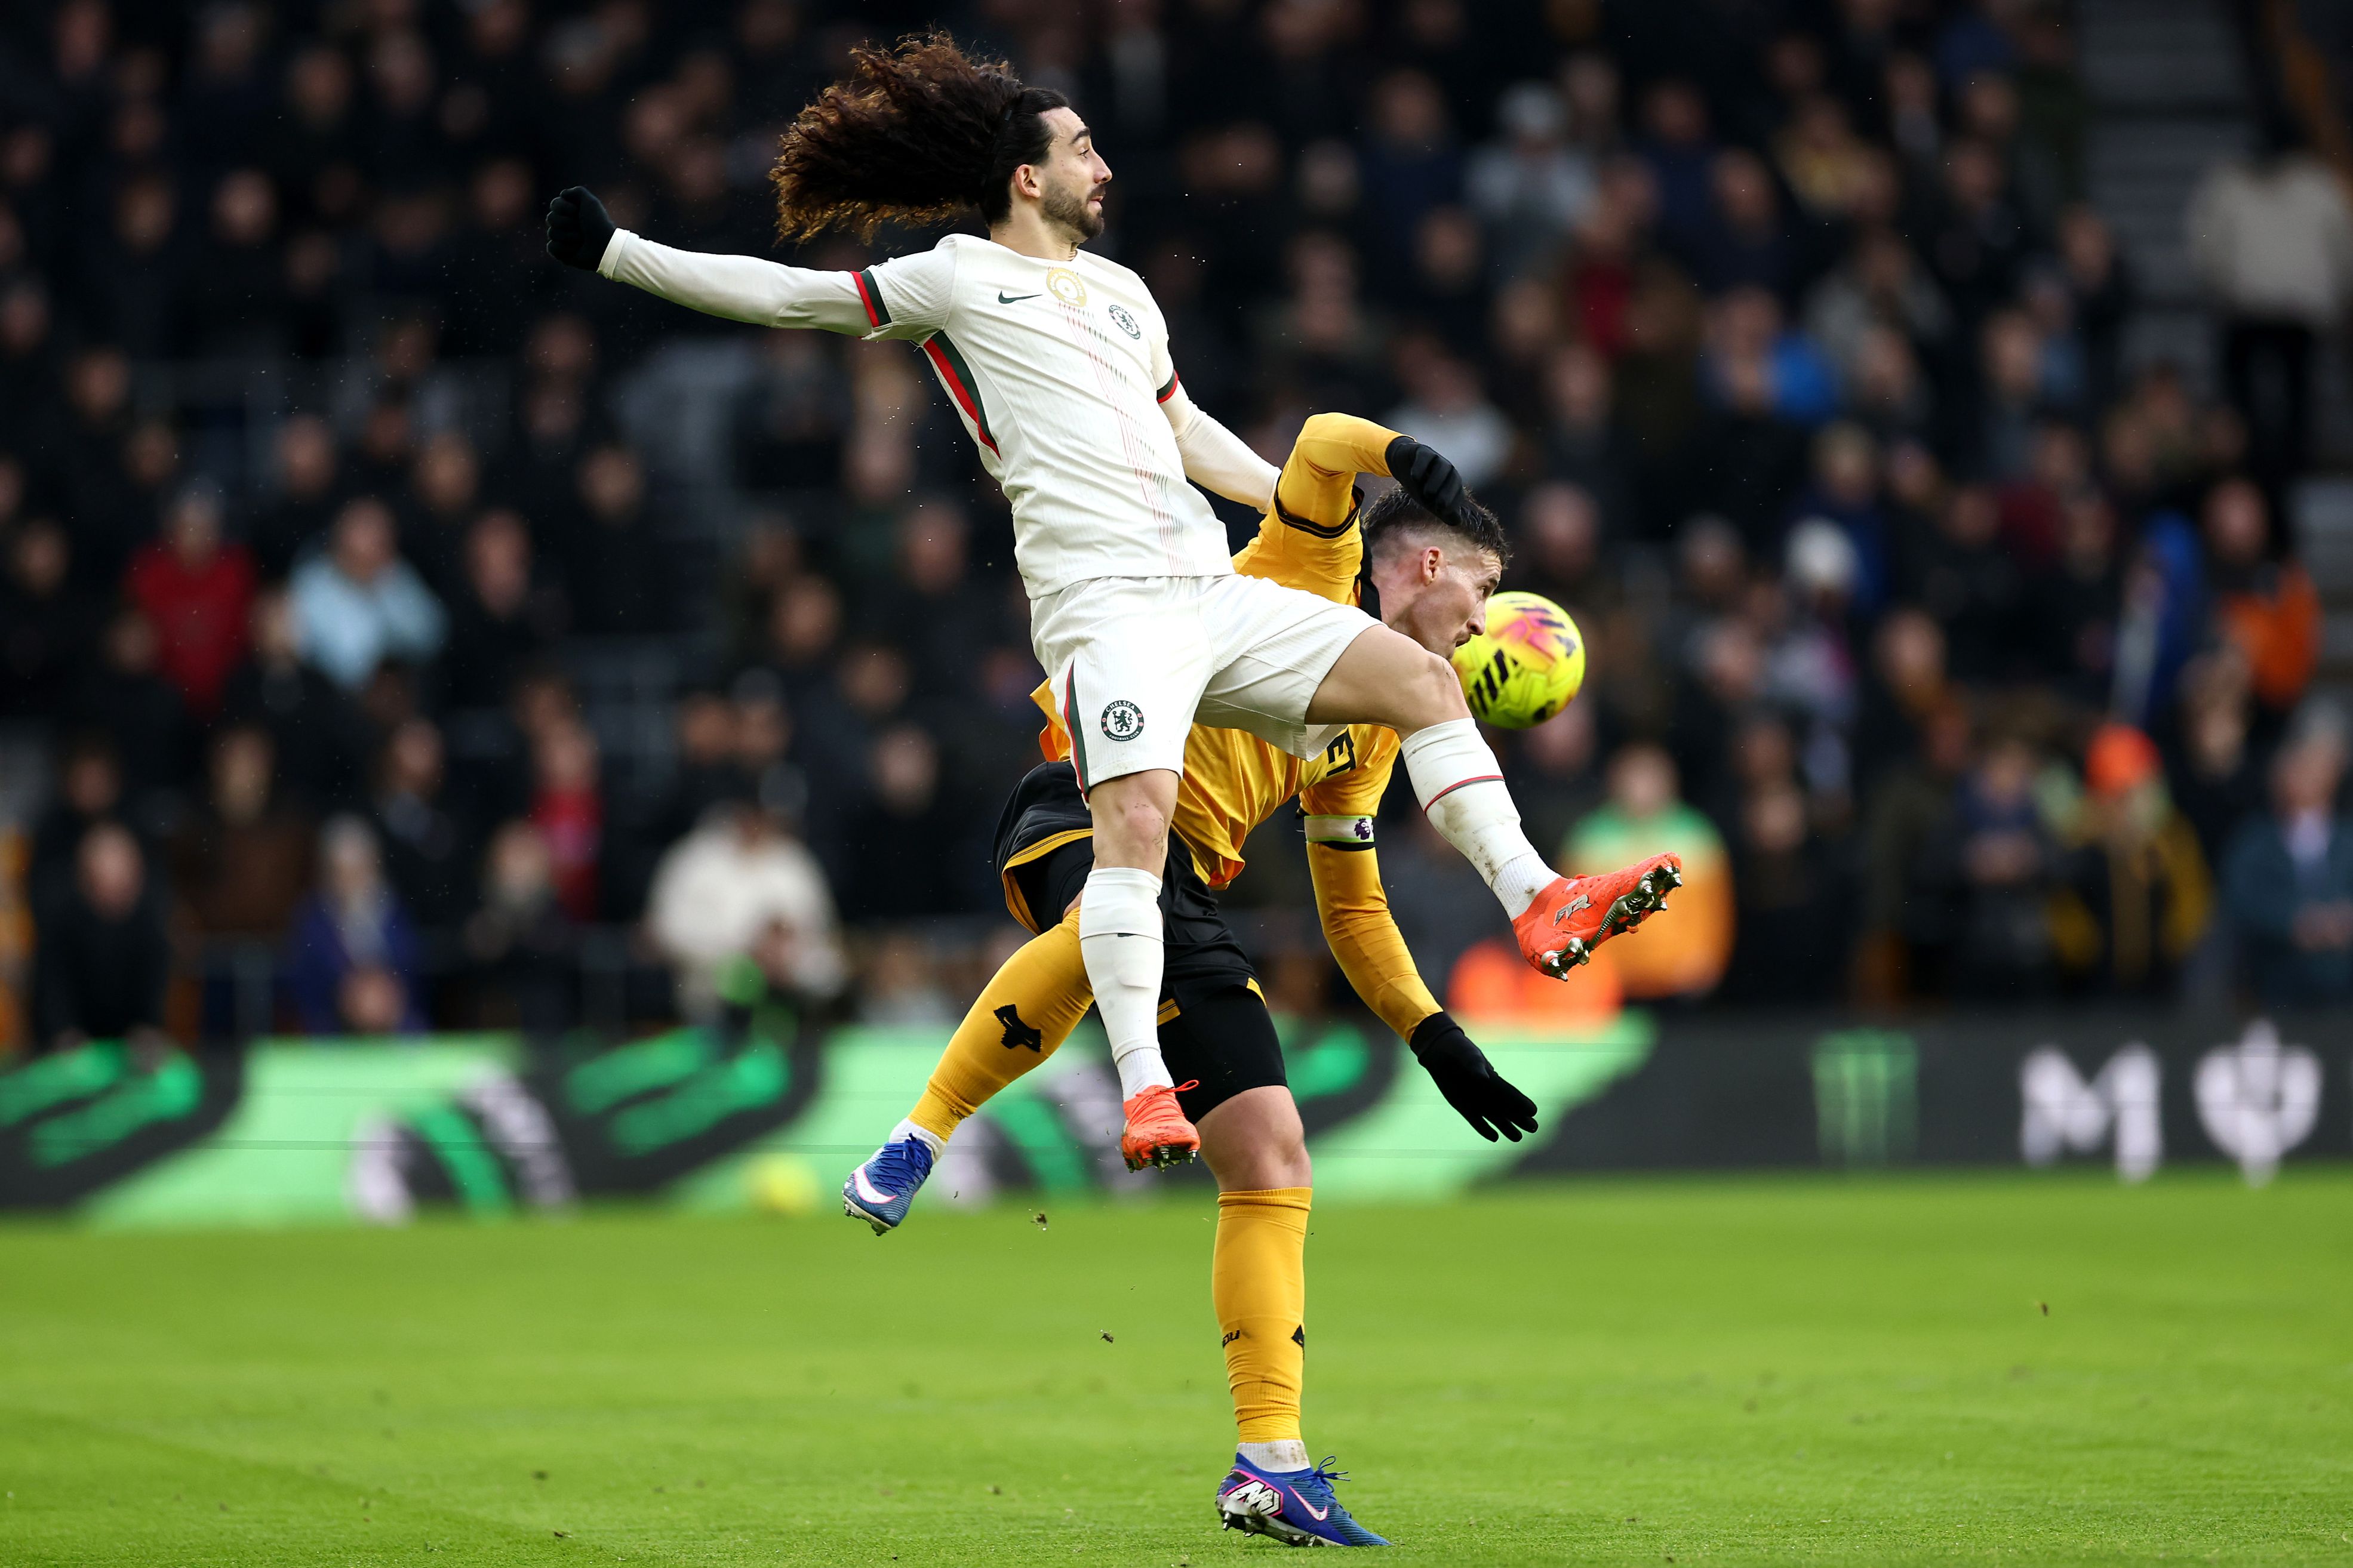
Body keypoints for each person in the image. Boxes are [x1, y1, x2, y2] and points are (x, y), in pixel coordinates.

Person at [546, 32, 1632, 1173]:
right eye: (1083, 149)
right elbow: (790, 295)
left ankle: (1537, 896)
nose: (1105, 166)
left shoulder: (1124, 294)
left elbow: (1184, 432)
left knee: (1416, 679)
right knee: (1137, 830)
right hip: (1105, 610)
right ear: (1029, 178)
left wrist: (1316, 513)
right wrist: (621, 254)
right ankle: (1145, 1091)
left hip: (1208, 588)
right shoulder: (956, 277)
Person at [842, 414, 1678, 1548]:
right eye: (1482, 591)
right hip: (1078, 806)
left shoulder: (1378, 724)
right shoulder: (1309, 566)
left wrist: (1433, 1036)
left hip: (1184, 888)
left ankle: (1267, 1462)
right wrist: (1405, 457)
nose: (1483, 625)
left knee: (1272, 1157)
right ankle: (921, 1132)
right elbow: (1326, 443)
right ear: (1426, 565)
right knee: (1113, 907)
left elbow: (1350, 908)